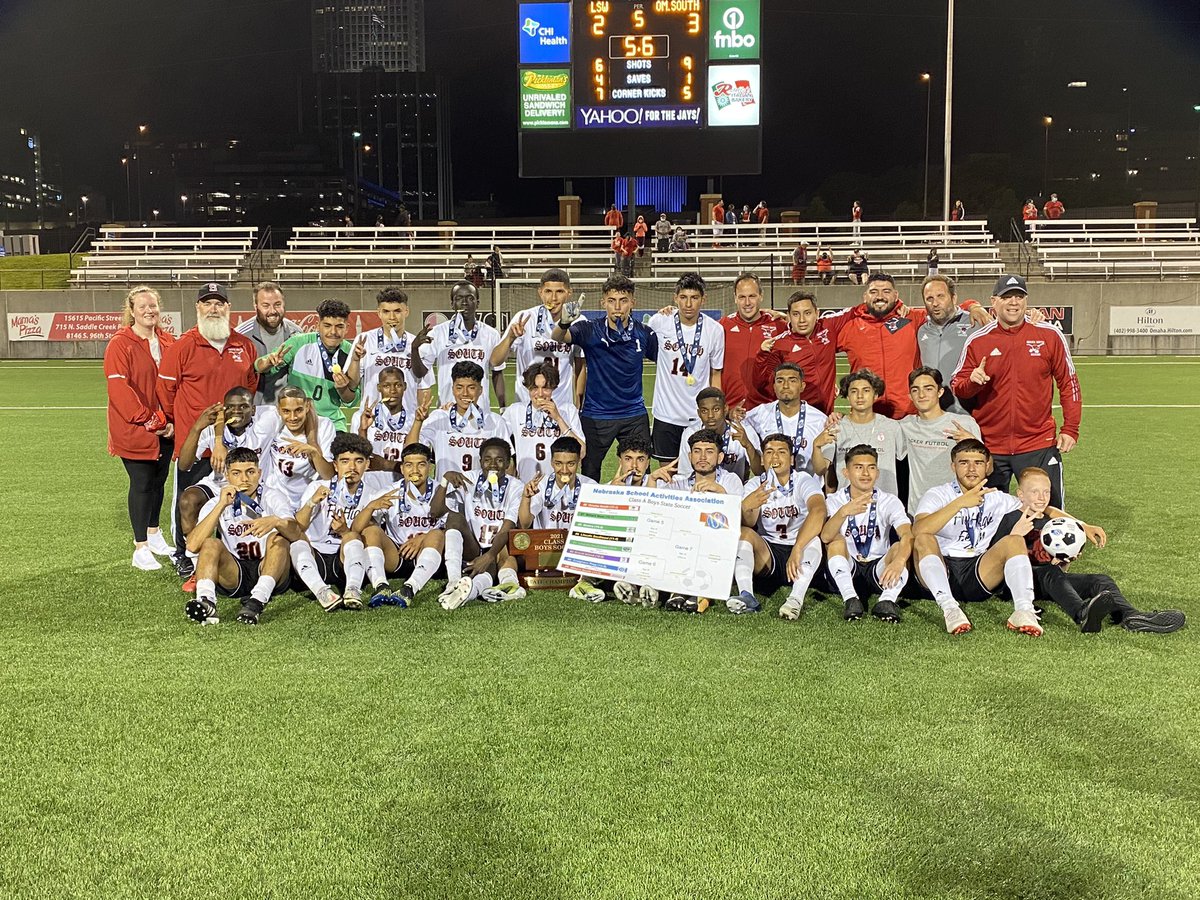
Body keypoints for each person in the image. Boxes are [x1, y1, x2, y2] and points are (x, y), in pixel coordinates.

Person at [992, 468, 1185, 634]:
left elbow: (1060, 572)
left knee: (1101, 580)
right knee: (1048, 572)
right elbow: (996, 562)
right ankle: (1081, 613)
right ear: (1021, 494)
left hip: (1049, 580)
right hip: (1014, 586)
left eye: (1046, 491)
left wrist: (1066, 559)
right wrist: (1016, 536)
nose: (1042, 497)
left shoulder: (1055, 524)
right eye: (1034, 492)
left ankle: (1131, 616)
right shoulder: (1010, 519)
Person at [950, 274, 1080, 508]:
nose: (1013, 302)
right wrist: (972, 381)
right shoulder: (978, 340)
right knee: (988, 516)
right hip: (989, 445)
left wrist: (1070, 428)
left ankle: (1050, 546)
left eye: (1019, 297)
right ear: (994, 302)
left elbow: (1068, 382)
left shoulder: (1049, 335)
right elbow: (958, 386)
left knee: (1046, 513)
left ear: (1026, 301)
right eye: (1006, 297)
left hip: (1037, 442)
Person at [157, 282, 258, 577]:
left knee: (235, 500)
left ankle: (236, 550)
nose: (213, 308)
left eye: (219, 303)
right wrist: (184, 426)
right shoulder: (182, 346)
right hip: (195, 443)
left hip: (235, 446)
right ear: (198, 308)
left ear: (228, 308)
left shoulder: (243, 345)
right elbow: (166, 391)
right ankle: (184, 553)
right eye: (207, 303)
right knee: (187, 500)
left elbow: (249, 388)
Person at [911, 438, 1043, 637]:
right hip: (939, 571)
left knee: (1014, 541)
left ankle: (1024, 610)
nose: (971, 469)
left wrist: (1083, 525)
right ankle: (950, 609)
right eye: (964, 463)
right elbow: (918, 529)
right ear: (953, 466)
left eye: (978, 463)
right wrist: (959, 503)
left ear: (987, 466)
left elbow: (1038, 509)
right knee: (923, 539)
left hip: (978, 572)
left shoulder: (995, 497)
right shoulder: (937, 494)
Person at [825, 271, 988, 419]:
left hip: (909, 415)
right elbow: (819, 350)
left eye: (886, 291)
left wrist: (973, 305)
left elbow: (945, 309)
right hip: (866, 415)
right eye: (873, 292)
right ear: (865, 296)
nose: (880, 296)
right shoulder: (848, 328)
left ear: (896, 295)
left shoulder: (912, 319)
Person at [550, 274, 658, 482]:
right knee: (589, 471)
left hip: (633, 414)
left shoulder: (644, 334)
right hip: (596, 415)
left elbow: (662, 363)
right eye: (611, 301)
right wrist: (563, 323)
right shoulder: (589, 329)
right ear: (603, 303)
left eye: (623, 300)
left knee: (640, 472)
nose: (617, 306)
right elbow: (558, 338)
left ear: (632, 303)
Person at [105, 285, 177, 571]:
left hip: (166, 428)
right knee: (142, 483)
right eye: (143, 306)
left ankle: (154, 533)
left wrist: (170, 422)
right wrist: (149, 420)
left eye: (153, 306)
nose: (149, 311)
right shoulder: (120, 343)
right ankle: (140, 547)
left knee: (159, 482)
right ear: (131, 310)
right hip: (135, 429)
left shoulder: (169, 341)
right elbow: (119, 388)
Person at [184, 447, 295, 627]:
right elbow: (192, 545)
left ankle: (257, 602)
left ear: (259, 473)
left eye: (250, 472)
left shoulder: (272, 496)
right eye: (237, 473)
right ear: (227, 475)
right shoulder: (216, 502)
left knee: (279, 538)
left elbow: (296, 534)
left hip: (268, 567)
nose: (244, 479)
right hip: (234, 572)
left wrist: (276, 522)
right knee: (211, 543)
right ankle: (207, 601)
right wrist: (220, 505)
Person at [291, 433, 394, 612]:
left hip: (347, 561)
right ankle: (322, 591)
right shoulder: (318, 487)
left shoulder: (372, 495)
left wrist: (346, 531)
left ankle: (352, 590)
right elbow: (299, 525)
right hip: (316, 558)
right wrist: (312, 502)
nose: (352, 467)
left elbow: (368, 533)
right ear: (335, 465)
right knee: (297, 543)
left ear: (367, 464)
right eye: (345, 461)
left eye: (358, 461)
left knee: (353, 536)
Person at [731, 433, 828, 618]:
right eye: (769, 452)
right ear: (762, 460)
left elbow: (819, 511)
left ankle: (795, 600)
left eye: (781, 452)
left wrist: (798, 547)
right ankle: (747, 595)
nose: (774, 457)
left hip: (801, 550)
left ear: (791, 460)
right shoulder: (754, 485)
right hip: (769, 552)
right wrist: (746, 507)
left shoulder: (803, 480)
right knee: (743, 533)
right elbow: (749, 523)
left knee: (814, 539)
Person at [821, 445, 914, 622]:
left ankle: (887, 601)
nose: (865, 473)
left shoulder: (889, 500)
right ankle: (850, 599)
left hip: (879, 569)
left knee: (899, 546)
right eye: (858, 467)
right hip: (848, 567)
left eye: (871, 467)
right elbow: (825, 536)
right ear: (846, 472)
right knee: (836, 540)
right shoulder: (835, 500)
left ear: (877, 473)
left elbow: (907, 535)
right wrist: (843, 512)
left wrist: (900, 561)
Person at [349, 441, 447, 609]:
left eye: (421, 465)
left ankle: (410, 588)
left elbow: (453, 529)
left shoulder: (441, 492)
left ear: (429, 467)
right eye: (409, 465)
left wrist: (423, 538)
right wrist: (371, 506)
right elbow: (356, 529)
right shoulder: (390, 492)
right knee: (370, 530)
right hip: (397, 555)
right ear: (402, 469)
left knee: (437, 534)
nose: (415, 471)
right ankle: (381, 586)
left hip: (429, 555)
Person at [430, 437, 525, 609]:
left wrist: (488, 556)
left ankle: (472, 591)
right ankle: (453, 581)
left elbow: (507, 527)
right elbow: (435, 512)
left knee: (495, 561)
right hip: (473, 545)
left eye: (499, 460)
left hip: (499, 547)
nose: (493, 465)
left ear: (508, 463)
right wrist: (444, 481)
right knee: (454, 517)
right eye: (487, 460)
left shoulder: (516, 486)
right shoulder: (468, 479)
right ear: (480, 461)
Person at [659, 429, 745, 615]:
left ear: (720, 457)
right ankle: (678, 591)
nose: (703, 456)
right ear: (689, 456)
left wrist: (720, 493)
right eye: (697, 451)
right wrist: (651, 480)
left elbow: (739, 519)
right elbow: (655, 513)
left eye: (709, 451)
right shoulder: (679, 484)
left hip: (718, 543)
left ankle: (702, 595)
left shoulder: (731, 481)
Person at [646, 273, 725, 460]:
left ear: (703, 300)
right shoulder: (659, 322)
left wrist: (716, 409)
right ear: (675, 298)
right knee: (667, 475)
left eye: (694, 298)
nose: (688, 304)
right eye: (683, 297)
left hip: (699, 416)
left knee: (701, 469)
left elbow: (716, 373)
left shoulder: (714, 330)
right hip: (666, 415)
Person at [515, 436, 603, 603]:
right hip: (545, 550)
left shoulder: (590, 486)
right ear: (551, 462)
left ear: (578, 462)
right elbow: (524, 523)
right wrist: (526, 498)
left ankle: (584, 584)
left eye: (570, 463)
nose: (564, 470)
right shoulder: (540, 485)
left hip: (577, 551)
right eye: (558, 463)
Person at [253, 298, 362, 431]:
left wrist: (343, 389)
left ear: (347, 328)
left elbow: (351, 401)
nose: (333, 332)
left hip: (331, 423)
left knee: (346, 451)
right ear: (318, 325)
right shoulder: (298, 343)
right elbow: (257, 366)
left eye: (339, 326)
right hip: (297, 421)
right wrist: (269, 362)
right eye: (327, 326)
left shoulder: (351, 354)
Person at [491, 269, 581, 410]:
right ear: (540, 292)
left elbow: (580, 366)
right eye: (548, 291)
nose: (553, 298)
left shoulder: (578, 321)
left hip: (562, 406)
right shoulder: (524, 318)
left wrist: (579, 405)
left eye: (559, 292)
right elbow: (495, 361)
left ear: (569, 293)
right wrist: (510, 337)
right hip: (526, 406)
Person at [406, 361, 512, 477]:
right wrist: (418, 422)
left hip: (481, 493)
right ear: (453, 389)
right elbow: (409, 451)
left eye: (471, 388)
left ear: (480, 390)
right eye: (459, 387)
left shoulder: (495, 422)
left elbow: (508, 464)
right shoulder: (438, 418)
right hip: (445, 493)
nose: (465, 393)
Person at [899, 367, 981, 514]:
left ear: (940, 392)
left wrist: (973, 442)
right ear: (910, 395)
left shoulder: (965, 424)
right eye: (915, 390)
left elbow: (988, 469)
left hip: (958, 509)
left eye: (928, 389)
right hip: (920, 512)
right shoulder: (905, 426)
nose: (921, 395)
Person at [412, 281, 506, 409]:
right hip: (447, 409)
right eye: (459, 298)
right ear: (452, 304)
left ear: (477, 303)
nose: (464, 303)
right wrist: (414, 348)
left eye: (470, 298)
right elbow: (419, 373)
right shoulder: (438, 333)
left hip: (480, 411)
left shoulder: (491, 334)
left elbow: (497, 372)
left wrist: (503, 407)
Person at [817, 369, 906, 496]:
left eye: (866, 390)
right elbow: (825, 470)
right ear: (847, 396)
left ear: (875, 395)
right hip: (847, 505)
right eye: (854, 391)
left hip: (884, 506)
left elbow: (906, 467)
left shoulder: (892, 427)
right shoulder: (836, 427)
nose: (860, 396)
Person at [355, 287, 433, 422]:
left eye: (397, 311)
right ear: (378, 313)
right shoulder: (365, 340)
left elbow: (423, 388)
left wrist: (420, 423)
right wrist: (354, 361)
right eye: (386, 312)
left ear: (406, 312)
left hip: (406, 422)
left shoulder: (419, 345)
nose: (392, 317)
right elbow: (352, 384)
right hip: (371, 421)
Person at [753, 290, 838, 414]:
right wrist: (762, 356)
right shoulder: (778, 345)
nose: (802, 319)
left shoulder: (828, 332)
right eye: (796, 314)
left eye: (807, 313)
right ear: (789, 316)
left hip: (826, 417)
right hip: (794, 418)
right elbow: (762, 384)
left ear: (817, 313)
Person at [501, 361, 585, 483]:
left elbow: (581, 451)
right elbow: (497, 445)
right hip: (526, 485)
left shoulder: (567, 410)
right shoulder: (515, 411)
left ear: (553, 387)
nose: (540, 394)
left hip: (559, 484)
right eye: (534, 388)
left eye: (545, 388)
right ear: (528, 388)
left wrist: (558, 419)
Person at [744, 363, 831, 478]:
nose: (785, 386)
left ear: (802, 386)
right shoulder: (761, 413)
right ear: (774, 387)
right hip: (773, 488)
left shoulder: (819, 419)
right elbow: (737, 421)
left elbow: (825, 467)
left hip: (809, 488)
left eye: (792, 381)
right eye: (780, 381)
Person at [718, 272, 788, 411]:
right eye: (742, 297)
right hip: (731, 411)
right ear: (735, 299)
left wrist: (787, 317)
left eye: (752, 296)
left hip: (768, 412)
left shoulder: (779, 326)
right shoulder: (722, 326)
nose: (747, 303)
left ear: (761, 296)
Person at [917, 274, 982, 414]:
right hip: (933, 416)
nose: (935, 303)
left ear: (953, 298)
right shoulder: (921, 330)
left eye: (941, 296)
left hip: (968, 414)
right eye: (929, 298)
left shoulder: (975, 324)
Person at [263, 386, 336, 507]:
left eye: (298, 410)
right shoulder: (273, 424)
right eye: (286, 411)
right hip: (278, 499)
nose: (293, 417)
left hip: (310, 499)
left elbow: (328, 475)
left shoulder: (324, 425)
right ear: (278, 410)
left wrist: (313, 452)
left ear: (307, 407)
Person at [235, 281, 302, 404]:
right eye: (266, 306)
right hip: (254, 410)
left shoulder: (296, 333)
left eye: (277, 304)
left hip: (286, 410)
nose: (272, 311)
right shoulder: (240, 336)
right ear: (255, 307)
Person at [676, 388, 761, 481]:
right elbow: (685, 474)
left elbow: (760, 472)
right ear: (699, 413)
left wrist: (748, 446)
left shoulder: (743, 431)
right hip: (700, 489)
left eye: (716, 409)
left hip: (734, 491)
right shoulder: (690, 433)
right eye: (704, 411)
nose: (710, 415)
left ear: (725, 409)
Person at [350, 366, 410, 466]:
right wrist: (363, 430)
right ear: (379, 388)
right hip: (371, 479)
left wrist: (386, 465)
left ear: (405, 386)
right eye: (386, 386)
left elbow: (415, 460)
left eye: (398, 385)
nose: (393, 391)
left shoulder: (413, 419)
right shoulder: (360, 417)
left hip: (401, 479)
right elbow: (359, 457)